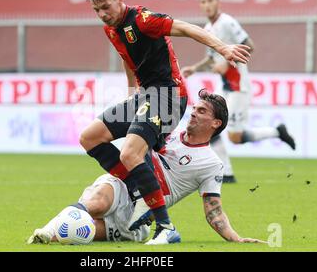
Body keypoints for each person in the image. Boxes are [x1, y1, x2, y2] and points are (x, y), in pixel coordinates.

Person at [78, 0, 251, 244]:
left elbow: (187, 28)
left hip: (169, 94)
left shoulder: (144, 20)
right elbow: (129, 59)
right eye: (96, 10)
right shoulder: (111, 29)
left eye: (106, 7)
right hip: (146, 95)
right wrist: (131, 93)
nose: (102, 14)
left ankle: (166, 227)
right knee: (89, 137)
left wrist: (222, 47)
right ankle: (138, 189)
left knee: (130, 152)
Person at [28, 90, 265, 245]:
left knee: (83, 233)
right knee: (97, 203)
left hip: (138, 219)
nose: (192, 113)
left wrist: (236, 239)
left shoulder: (212, 164)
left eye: (201, 111)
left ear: (216, 123)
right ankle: (45, 231)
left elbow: (213, 210)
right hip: (121, 186)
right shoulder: (167, 130)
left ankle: (54, 235)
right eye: (194, 108)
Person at [181, 0, 296, 183]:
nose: (207, 4)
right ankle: (227, 171)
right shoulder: (209, 27)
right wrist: (195, 68)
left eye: (210, 0)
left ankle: (274, 134)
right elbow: (212, 57)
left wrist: (227, 62)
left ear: (218, 2)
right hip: (224, 85)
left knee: (230, 133)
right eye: (203, 1)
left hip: (238, 86)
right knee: (213, 124)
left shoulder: (227, 22)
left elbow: (249, 45)